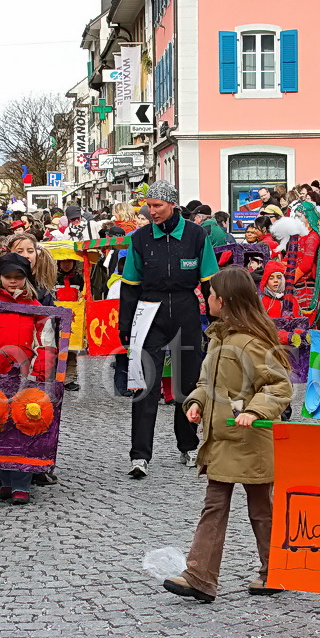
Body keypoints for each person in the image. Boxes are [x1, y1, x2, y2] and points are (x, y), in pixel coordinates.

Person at [163, 267, 293, 603]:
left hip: (251, 440)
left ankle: (275, 569)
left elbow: (279, 386)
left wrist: (254, 411)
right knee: (215, 506)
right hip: (221, 438)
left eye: (210, 294)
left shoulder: (251, 342)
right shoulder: (218, 339)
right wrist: (196, 403)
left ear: (223, 300)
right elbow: (208, 384)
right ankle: (200, 576)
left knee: (261, 509)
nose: (206, 299)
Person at [119, 179, 219, 479]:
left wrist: (216, 323)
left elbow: (210, 282)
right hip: (150, 310)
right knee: (145, 384)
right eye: (148, 207)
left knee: (187, 383)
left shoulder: (196, 235)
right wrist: (126, 326)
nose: (152, 212)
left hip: (186, 309)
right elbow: (129, 285)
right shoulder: (139, 239)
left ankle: (187, 445)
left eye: (157, 206)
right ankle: (139, 455)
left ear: (172, 205)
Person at [0, 253, 58, 504]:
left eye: (18, 277)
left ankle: (21, 483)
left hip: (28, 377)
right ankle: (4, 480)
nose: (13, 282)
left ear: (26, 279)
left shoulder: (36, 310)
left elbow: (46, 343)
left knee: (25, 427)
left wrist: (39, 373)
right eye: (8, 277)